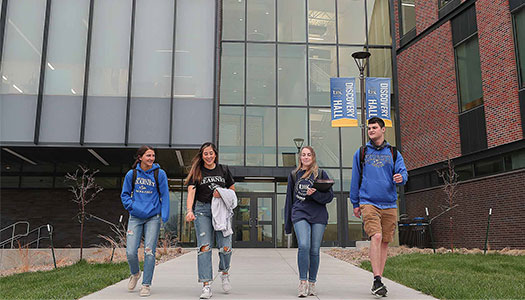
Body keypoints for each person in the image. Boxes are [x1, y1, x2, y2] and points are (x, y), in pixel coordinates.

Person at [350, 117, 407, 297]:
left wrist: (401, 178)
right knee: (376, 236)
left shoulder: (394, 153)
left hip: (389, 203)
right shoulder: (361, 153)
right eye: (369, 128)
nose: (371, 130)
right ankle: (376, 279)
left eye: (374, 127)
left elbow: (403, 172)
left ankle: (379, 281)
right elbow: (355, 179)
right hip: (368, 202)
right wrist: (355, 203)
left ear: (383, 130)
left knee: (384, 242)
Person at [185, 142, 235, 299]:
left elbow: (232, 191)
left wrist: (222, 193)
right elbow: (191, 192)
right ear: (202, 155)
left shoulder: (224, 170)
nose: (208, 156)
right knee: (204, 248)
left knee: (226, 247)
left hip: (221, 211)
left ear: (215, 154)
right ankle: (206, 285)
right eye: (205, 153)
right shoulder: (197, 171)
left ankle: (224, 272)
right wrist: (189, 211)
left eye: (211, 153)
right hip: (203, 211)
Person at [284, 146, 334, 297]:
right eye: (303, 155)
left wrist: (315, 194)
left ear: (313, 157)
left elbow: (329, 197)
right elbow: (289, 200)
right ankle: (302, 282)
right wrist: (288, 225)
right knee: (304, 245)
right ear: (300, 158)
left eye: (308, 155)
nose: (305, 157)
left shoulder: (320, 174)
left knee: (314, 250)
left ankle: (312, 282)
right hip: (300, 213)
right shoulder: (294, 175)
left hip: (318, 215)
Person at [121, 145, 170, 297]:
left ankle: (146, 284)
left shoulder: (159, 174)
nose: (151, 158)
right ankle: (135, 273)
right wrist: (132, 207)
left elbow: (165, 195)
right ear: (140, 157)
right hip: (135, 217)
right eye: (148, 155)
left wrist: (165, 215)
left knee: (149, 252)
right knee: (130, 252)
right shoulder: (132, 174)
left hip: (153, 217)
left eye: (153, 156)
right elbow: (125, 195)